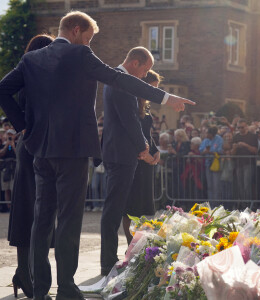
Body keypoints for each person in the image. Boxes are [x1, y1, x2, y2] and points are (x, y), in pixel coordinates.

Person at [0, 11, 195, 300]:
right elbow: (119, 79)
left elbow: (3, 89)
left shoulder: (31, 59)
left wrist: (25, 126)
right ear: (77, 31)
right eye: (88, 37)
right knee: (68, 220)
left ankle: (41, 288)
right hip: (74, 149)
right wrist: (166, 97)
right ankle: (66, 286)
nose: (88, 42)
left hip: (40, 149)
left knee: (42, 219)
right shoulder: (81, 55)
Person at [101, 47, 160, 275]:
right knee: (114, 210)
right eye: (145, 70)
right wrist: (143, 148)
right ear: (135, 63)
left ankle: (111, 259)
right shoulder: (122, 81)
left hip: (120, 151)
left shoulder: (119, 78)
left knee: (117, 209)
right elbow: (129, 119)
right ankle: (107, 262)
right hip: (121, 153)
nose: (145, 76)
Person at [6, 34, 55, 299]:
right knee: (29, 212)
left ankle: (26, 272)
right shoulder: (30, 72)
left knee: (40, 213)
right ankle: (26, 275)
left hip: (38, 145)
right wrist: (22, 125)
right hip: (31, 146)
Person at [122, 70, 162, 245]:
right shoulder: (130, 102)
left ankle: (140, 242)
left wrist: (155, 150)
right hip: (136, 160)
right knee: (130, 205)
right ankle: (131, 243)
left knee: (143, 205)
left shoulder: (145, 106)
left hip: (147, 162)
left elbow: (147, 133)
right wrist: (144, 155)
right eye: (151, 88)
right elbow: (132, 132)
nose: (152, 93)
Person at [231, 119, 258, 208]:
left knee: (247, 185)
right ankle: (243, 205)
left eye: (242, 127)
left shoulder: (252, 136)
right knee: (240, 186)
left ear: (246, 126)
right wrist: (234, 148)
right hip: (239, 164)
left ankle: (249, 205)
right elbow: (232, 153)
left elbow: (255, 150)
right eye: (238, 127)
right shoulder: (236, 136)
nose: (240, 129)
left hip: (249, 163)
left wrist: (245, 145)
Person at [199, 126, 223, 207]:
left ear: (211, 134)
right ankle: (211, 205)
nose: (205, 134)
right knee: (209, 186)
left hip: (216, 165)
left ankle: (217, 205)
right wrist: (205, 152)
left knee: (216, 186)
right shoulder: (205, 140)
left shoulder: (219, 139)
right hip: (207, 164)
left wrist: (210, 152)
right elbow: (201, 150)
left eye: (207, 133)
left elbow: (220, 151)